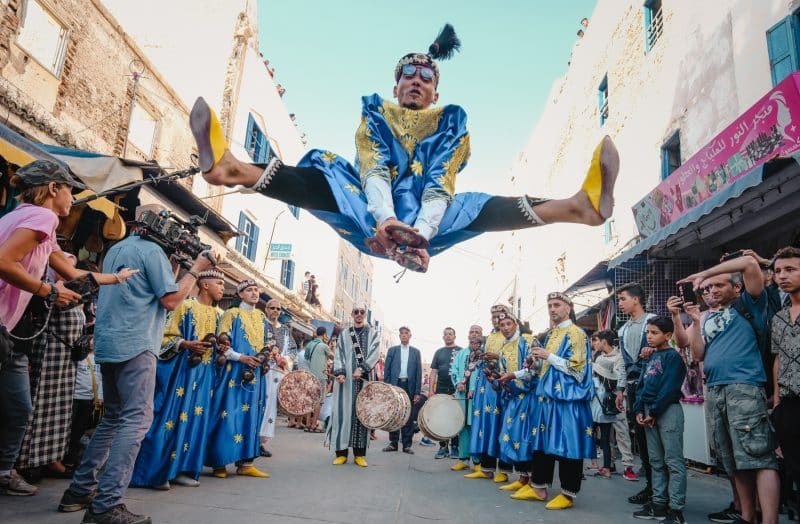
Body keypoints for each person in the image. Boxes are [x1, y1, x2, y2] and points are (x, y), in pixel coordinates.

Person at [190, 24, 619, 273]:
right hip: (371, 213)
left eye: (425, 77)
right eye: (408, 75)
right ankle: (234, 169)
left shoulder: (452, 123)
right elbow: (373, 171)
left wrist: (421, 235)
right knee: (330, 170)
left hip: (431, 217)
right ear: (396, 86)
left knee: (476, 204)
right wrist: (389, 222)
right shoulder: (376, 116)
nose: (416, 80)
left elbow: (440, 182)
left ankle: (578, 207)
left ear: (435, 92)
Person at [58, 207, 216, 524]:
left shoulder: (118, 248)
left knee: (113, 418)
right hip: (137, 344)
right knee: (136, 420)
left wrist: (177, 266)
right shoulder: (151, 252)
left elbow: (147, 289)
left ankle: (79, 491)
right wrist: (196, 269)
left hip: (109, 342)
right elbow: (171, 300)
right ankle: (106, 505)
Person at [0, 160, 135, 498]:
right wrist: (48, 290)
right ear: (52, 189)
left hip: (11, 334)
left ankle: (4, 470)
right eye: (69, 189)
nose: (72, 197)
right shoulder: (43, 216)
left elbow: (72, 272)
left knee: (19, 408)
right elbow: (3, 261)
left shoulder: (20, 217)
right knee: (18, 409)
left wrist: (116, 278)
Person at [679, 255, 780, 524]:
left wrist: (705, 272)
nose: (710, 291)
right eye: (706, 289)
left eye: (717, 285)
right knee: (732, 458)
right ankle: (747, 515)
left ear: (737, 288)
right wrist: (697, 323)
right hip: (715, 388)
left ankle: (769, 519)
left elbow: (748, 262)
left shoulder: (749, 304)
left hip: (744, 387)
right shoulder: (706, 317)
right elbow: (698, 354)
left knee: (759, 456)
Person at [130, 269, 225, 490]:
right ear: (204, 285)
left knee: (195, 422)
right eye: (219, 282)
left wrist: (222, 348)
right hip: (180, 373)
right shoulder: (185, 306)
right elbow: (163, 335)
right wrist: (184, 344)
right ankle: (156, 472)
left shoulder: (219, 314)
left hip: (204, 375)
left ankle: (182, 469)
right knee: (169, 418)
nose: (222, 287)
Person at [16, 253, 86, 483]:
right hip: (48, 355)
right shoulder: (46, 288)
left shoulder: (72, 291)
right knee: (38, 409)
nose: (68, 272)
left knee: (62, 412)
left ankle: (53, 458)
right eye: (65, 266)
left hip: (67, 359)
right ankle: (28, 461)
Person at [527, 292, 595, 510]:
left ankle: (568, 493)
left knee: (569, 444)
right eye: (549, 305)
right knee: (543, 444)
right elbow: (548, 367)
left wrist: (548, 356)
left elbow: (578, 369)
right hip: (548, 399)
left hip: (568, 400)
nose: (552, 309)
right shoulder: (552, 333)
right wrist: (536, 362)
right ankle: (538, 486)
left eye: (557, 304)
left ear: (568, 307)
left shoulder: (576, 333)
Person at [206, 279, 270, 479]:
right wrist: (241, 357)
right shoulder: (230, 314)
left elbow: (267, 344)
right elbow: (221, 344)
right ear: (240, 294)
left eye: (256, 290)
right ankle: (219, 463)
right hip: (232, 372)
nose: (254, 293)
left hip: (255, 374)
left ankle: (246, 463)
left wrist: (261, 358)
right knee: (227, 414)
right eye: (249, 290)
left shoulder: (261, 317)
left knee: (251, 416)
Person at [632, 317, 687, 524]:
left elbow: (670, 388)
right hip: (648, 414)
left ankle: (676, 509)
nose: (649, 336)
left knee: (673, 461)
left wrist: (653, 412)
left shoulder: (673, 357)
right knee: (656, 461)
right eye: (648, 332)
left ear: (668, 335)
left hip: (667, 412)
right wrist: (639, 409)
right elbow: (642, 386)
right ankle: (658, 504)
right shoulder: (650, 357)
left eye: (654, 333)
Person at [615, 283, 657, 499]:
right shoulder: (623, 329)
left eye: (622, 299)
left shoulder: (653, 321)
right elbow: (622, 362)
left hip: (651, 385)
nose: (620, 303)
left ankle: (660, 491)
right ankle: (650, 486)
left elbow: (669, 347)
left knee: (654, 437)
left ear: (636, 300)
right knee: (640, 436)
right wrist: (620, 389)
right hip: (632, 387)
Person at [328, 304, 380, 466]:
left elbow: (375, 353)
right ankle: (341, 453)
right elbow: (339, 354)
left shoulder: (373, 334)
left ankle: (359, 455)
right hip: (345, 381)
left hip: (363, 380)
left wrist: (361, 368)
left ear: (365, 315)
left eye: (362, 312)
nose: (359, 314)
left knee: (362, 415)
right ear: (351, 314)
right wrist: (341, 372)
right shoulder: (344, 334)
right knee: (342, 414)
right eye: (356, 312)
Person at [493, 313, 538, 500]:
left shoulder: (527, 340)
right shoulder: (503, 347)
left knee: (526, 437)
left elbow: (535, 368)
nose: (505, 327)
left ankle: (532, 482)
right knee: (512, 435)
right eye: (501, 324)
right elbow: (504, 371)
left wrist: (514, 376)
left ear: (516, 324)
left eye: (508, 323)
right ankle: (522, 478)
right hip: (513, 397)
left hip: (529, 397)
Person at [466, 304, 512, 479]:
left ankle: (504, 471)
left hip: (503, 386)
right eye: (494, 317)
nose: (497, 320)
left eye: (500, 316)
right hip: (485, 385)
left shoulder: (513, 337)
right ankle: (486, 468)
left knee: (500, 424)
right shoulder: (490, 337)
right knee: (485, 424)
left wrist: (498, 358)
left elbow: (516, 360)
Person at [771, 247, 800, 495]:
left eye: (790, 270)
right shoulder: (778, 318)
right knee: (794, 469)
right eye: (778, 270)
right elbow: (778, 359)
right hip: (789, 405)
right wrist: (778, 402)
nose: (782, 276)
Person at [593, 329, 636, 479]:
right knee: (606, 436)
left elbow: (620, 378)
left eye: (596, 340)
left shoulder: (619, 357)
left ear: (604, 341)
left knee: (622, 433)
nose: (594, 344)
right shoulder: (598, 358)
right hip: (601, 402)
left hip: (616, 401)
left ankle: (628, 466)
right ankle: (608, 465)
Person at [382, 326, 422, 454]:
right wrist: (387, 388)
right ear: (399, 336)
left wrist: (417, 392)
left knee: (408, 416)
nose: (404, 335)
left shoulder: (416, 352)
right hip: (395, 385)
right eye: (402, 333)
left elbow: (418, 373)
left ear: (410, 336)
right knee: (394, 414)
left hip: (409, 386)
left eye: (406, 333)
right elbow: (386, 370)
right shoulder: (393, 350)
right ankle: (393, 443)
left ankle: (407, 445)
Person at [449, 325, 483, 471]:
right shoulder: (461, 353)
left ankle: (477, 462)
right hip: (462, 395)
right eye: (471, 332)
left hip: (478, 397)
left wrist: (474, 388)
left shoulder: (484, 354)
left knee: (476, 426)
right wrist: (458, 384)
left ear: (481, 336)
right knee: (462, 426)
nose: (474, 334)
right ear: (468, 335)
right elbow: (453, 370)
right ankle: (463, 459)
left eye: (477, 332)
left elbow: (485, 374)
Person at [590, 338, 623, 480]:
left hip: (595, 414)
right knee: (606, 441)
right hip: (607, 415)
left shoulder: (595, 382)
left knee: (591, 437)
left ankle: (594, 463)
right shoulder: (611, 385)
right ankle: (608, 469)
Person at [65, 347, 103, 469]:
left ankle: (71, 459)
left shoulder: (100, 359)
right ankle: (64, 459)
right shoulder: (79, 357)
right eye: (90, 338)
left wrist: (100, 396)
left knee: (79, 431)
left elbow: (102, 378)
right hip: (75, 398)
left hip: (90, 400)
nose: (93, 341)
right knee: (69, 430)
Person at [259, 299, 288, 456]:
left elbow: (291, 351)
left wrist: (285, 360)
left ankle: (261, 442)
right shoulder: (260, 324)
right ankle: (251, 440)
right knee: (259, 404)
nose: (275, 311)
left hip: (277, 373)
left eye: (278, 308)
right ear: (266, 309)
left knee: (270, 408)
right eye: (272, 308)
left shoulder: (284, 330)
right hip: (261, 370)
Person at [429, 327, 461, 459]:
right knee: (441, 418)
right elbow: (433, 373)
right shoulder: (439, 352)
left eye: (450, 334)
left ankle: (454, 447)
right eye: (445, 334)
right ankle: (443, 447)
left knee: (455, 418)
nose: (448, 336)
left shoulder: (461, 351)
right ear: (443, 337)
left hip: (456, 390)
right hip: (440, 389)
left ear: (454, 336)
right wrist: (431, 390)